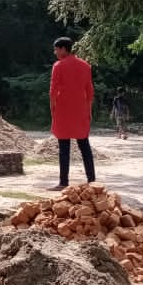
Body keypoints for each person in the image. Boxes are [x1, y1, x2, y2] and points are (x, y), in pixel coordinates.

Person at [48, 37, 96, 191]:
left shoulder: (59, 65)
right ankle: (92, 180)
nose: (55, 52)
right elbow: (89, 91)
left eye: (56, 49)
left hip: (63, 109)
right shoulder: (85, 66)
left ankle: (63, 182)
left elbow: (53, 90)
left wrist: (52, 109)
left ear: (63, 49)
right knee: (84, 146)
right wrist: (89, 110)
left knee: (64, 147)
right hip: (80, 110)